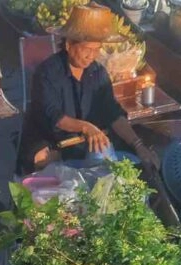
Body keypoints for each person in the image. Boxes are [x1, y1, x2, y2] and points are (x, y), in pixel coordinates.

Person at [19, 5, 136, 170]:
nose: (91, 56)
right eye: (87, 49)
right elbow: (54, 116)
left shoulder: (98, 73)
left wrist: (139, 145)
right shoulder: (47, 72)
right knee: (41, 158)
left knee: (123, 155)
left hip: (85, 139)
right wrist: (86, 127)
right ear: (68, 45)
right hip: (50, 138)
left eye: (96, 50)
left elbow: (112, 112)